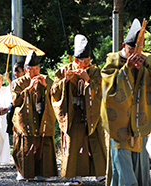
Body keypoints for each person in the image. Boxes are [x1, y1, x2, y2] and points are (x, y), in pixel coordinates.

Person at [51, 34, 107, 186]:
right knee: (75, 143)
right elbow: (53, 91)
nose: (87, 63)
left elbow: (100, 90)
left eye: (89, 60)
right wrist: (65, 81)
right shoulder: (65, 70)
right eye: (84, 61)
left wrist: (87, 80)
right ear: (76, 60)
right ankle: (77, 177)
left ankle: (101, 174)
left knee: (96, 141)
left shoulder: (94, 71)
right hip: (74, 112)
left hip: (92, 112)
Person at [101, 18, 151, 186]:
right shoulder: (113, 60)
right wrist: (126, 70)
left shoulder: (146, 60)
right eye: (132, 49)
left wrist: (142, 71)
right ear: (124, 46)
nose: (136, 53)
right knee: (122, 160)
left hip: (139, 118)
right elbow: (108, 87)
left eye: (139, 49)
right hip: (119, 121)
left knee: (140, 159)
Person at [12, 50, 58, 181]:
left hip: (42, 114)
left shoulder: (47, 80)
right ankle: (24, 172)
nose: (35, 72)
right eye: (32, 69)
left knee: (45, 140)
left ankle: (45, 173)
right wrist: (29, 89)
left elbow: (56, 94)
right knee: (27, 141)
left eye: (37, 68)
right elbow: (16, 101)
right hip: (26, 117)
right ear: (26, 70)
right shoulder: (19, 82)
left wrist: (46, 87)